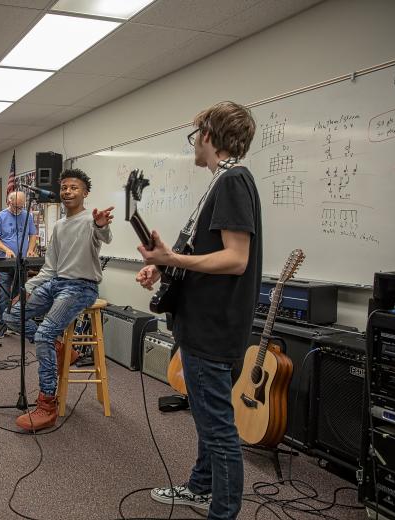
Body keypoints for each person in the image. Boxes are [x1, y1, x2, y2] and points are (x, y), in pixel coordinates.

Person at [135, 101, 261, 520]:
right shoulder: (224, 182)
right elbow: (204, 254)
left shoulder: (233, 181)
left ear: (208, 135)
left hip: (211, 328)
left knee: (219, 431)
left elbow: (235, 259)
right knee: (209, 420)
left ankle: (222, 512)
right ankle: (200, 486)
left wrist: (173, 259)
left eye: (196, 136)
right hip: (204, 323)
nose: (194, 145)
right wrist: (163, 263)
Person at [3, 169, 113, 431]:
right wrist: (28, 288)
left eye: (74, 188)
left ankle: (47, 404)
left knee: (42, 334)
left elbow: (104, 236)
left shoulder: (92, 220)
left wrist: (100, 225)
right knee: (10, 314)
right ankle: (61, 349)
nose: (67, 191)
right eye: (64, 187)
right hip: (56, 282)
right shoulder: (59, 225)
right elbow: (50, 267)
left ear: (85, 192)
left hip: (81, 287)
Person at [0, 191, 38, 336]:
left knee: (20, 295)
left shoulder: (27, 215)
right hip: (5, 262)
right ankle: (2, 326)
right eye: (16, 207)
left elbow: (33, 234)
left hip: (22, 262)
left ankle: (15, 324)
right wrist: (6, 249)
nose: (19, 210)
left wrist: (30, 249)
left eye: (21, 207)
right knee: (4, 295)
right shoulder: (0, 216)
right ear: (8, 202)